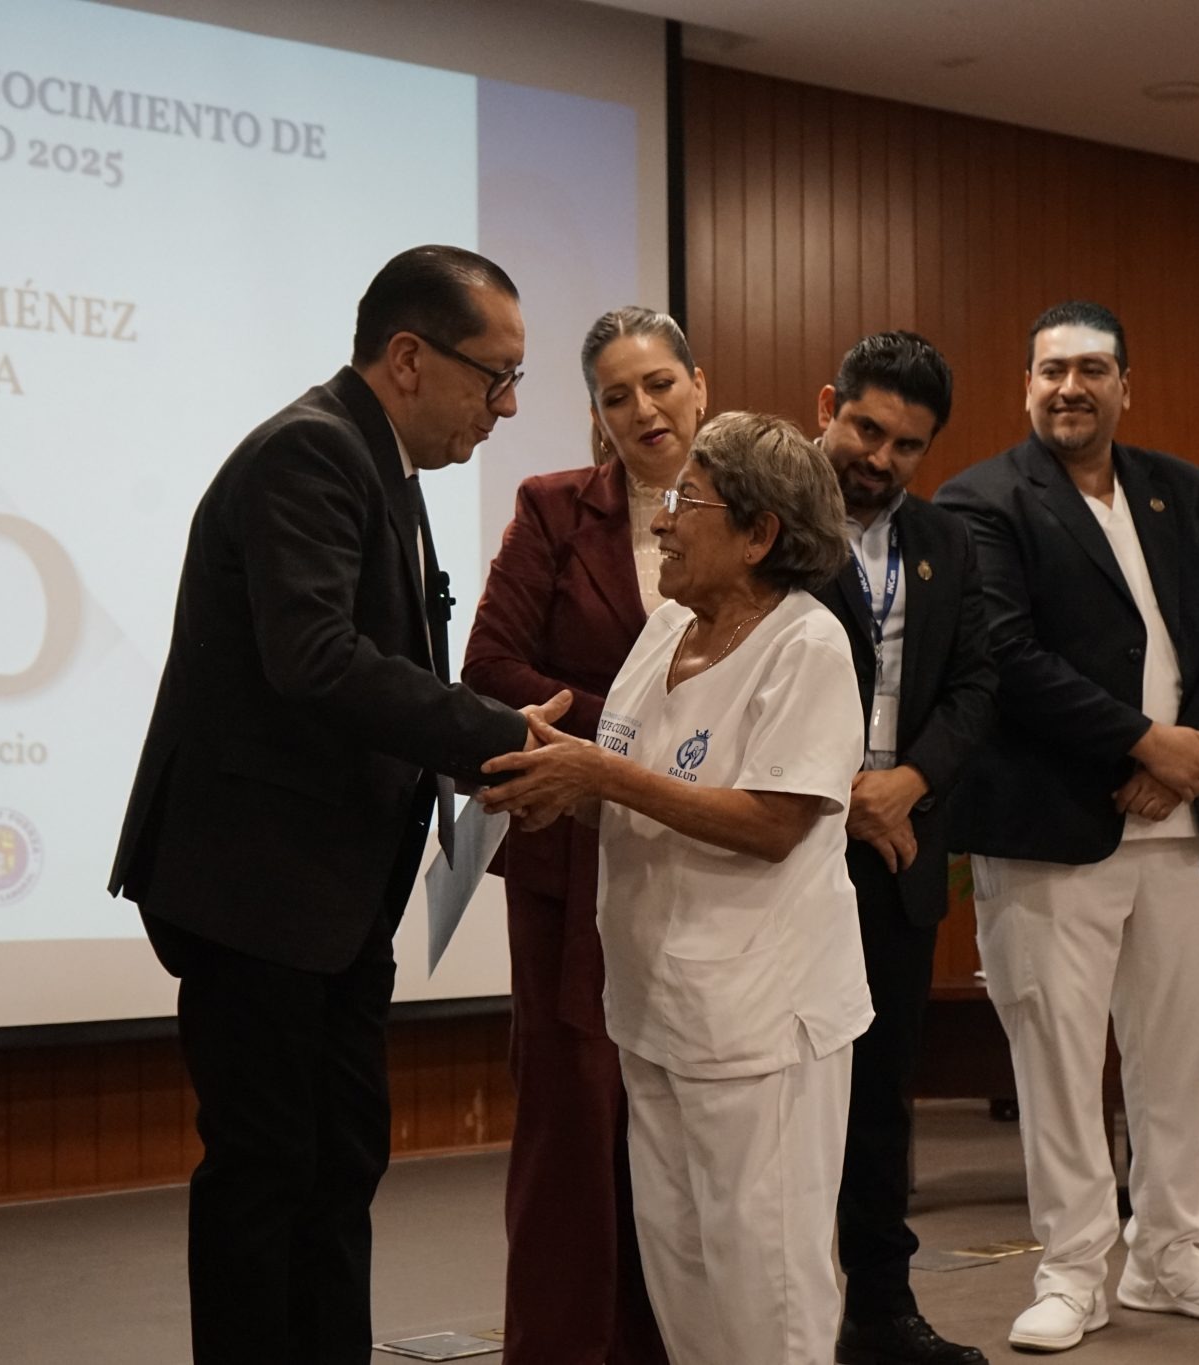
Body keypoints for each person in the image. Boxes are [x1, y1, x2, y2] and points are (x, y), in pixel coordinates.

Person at [108, 246, 567, 1365]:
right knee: (268, 1172)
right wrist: (496, 735)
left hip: (329, 900)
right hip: (257, 893)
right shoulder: (311, 452)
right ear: (408, 358)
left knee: (338, 1162)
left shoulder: (384, 466)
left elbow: (372, 675)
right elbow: (314, 658)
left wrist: (479, 748)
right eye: (495, 376)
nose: (507, 407)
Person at [482, 412, 871, 1365]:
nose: (659, 521)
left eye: (685, 501)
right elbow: (634, 785)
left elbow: (774, 822)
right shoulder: (663, 631)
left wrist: (602, 777)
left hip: (758, 1025)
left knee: (765, 1296)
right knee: (685, 1285)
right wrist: (559, 783)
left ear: (759, 533)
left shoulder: (807, 646)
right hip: (653, 1011)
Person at [935, 301, 1199, 1353]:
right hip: (1049, 827)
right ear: (1025, 387)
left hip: (1184, 825)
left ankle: (1168, 1256)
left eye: (1090, 369)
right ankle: (1072, 1273)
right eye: (1050, 371)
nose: (1069, 388)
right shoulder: (981, 498)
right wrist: (1139, 743)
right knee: (1057, 1066)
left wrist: (1187, 754)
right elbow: (1006, 655)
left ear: (1127, 384)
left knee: (1175, 1060)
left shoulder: (1181, 489)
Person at [460, 306, 706, 1365]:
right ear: (596, 414)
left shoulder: (753, 513)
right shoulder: (554, 508)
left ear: (698, 385)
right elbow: (490, 669)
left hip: (711, 859)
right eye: (615, 395)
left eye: (658, 383)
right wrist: (648, 737)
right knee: (572, 1131)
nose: (641, 409)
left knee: (684, 1137)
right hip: (574, 862)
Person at [807, 333, 995, 1365]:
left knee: (880, 1101)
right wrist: (839, 794)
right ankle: (780, 1319)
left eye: (906, 446)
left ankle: (879, 1313)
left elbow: (976, 686)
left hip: (897, 852)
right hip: (787, 846)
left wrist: (907, 783)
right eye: (865, 429)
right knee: (789, 1100)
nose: (879, 459)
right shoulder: (768, 517)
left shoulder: (946, 542)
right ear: (827, 407)